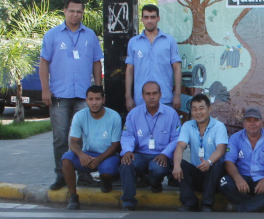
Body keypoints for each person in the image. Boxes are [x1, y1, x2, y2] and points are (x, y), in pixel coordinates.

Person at [40, 0, 104, 191]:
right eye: (72, 11)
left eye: (79, 12)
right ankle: (61, 174)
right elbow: (44, 63)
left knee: (83, 136)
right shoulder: (52, 35)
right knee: (60, 137)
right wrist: (45, 89)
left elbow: (96, 62)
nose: (76, 15)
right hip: (59, 95)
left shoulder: (90, 35)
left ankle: (84, 174)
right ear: (65, 11)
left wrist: (98, 90)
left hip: (83, 95)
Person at [120, 81, 181, 210]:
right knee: (126, 162)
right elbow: (127, 135)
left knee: (157, 168)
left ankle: (155, 184)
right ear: (142, 96)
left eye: (154, 93)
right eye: (148, 94)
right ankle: (128, 201)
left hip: (161, 155)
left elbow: (177, 138)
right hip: (140, 154)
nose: (151, 97)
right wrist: (127, 150)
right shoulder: (134, 114)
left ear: (160, 95)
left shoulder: (171, 114)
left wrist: (165, 153)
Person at [61, 85, 122, 210]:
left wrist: (99, 159)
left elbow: (115, 145)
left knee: (107, 171)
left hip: (107, 155)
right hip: (87, 154)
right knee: (66, 159)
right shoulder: (79, 116)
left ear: (103, 100)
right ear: (86, 100)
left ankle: (105, 180)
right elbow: (73, 142)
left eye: (97, 99)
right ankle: (73, 196)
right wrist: (81, 154)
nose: (94, 103)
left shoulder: (114, 116)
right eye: (91, 99)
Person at [219, 108, 264, 212]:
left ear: (261, 122)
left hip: (262, 180)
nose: (252, 123)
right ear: (244, 123)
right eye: (249, 120)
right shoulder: (235, 138)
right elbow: (229, 162)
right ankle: (259, 204)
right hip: (242, 180)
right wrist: (238, 179)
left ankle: (242, 207)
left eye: (256, 120)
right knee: (224, 183)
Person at [172, 94, 228, 212]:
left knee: (217, 164)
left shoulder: (219, 126)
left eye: (201, 108)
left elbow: (221, 149)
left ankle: (207, 204)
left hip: (214, 174)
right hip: (198, 171)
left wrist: (209, 162)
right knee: (180, 163)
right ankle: (189, 203)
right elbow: (180, 146)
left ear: (209, 109)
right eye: (194, 109)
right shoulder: (187, 125)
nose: (198, 112)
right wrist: (176, 166)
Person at [125, 4, 182, 111]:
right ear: (142, 19)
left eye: (152, 17)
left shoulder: (169, 41)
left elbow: (177, 68)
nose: (149, 21)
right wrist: (128, 96)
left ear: (158, 18)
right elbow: (129, 70)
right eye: (146, 17)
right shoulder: (133, 42)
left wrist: (177, 94)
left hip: (165, 98)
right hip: (141, 99)